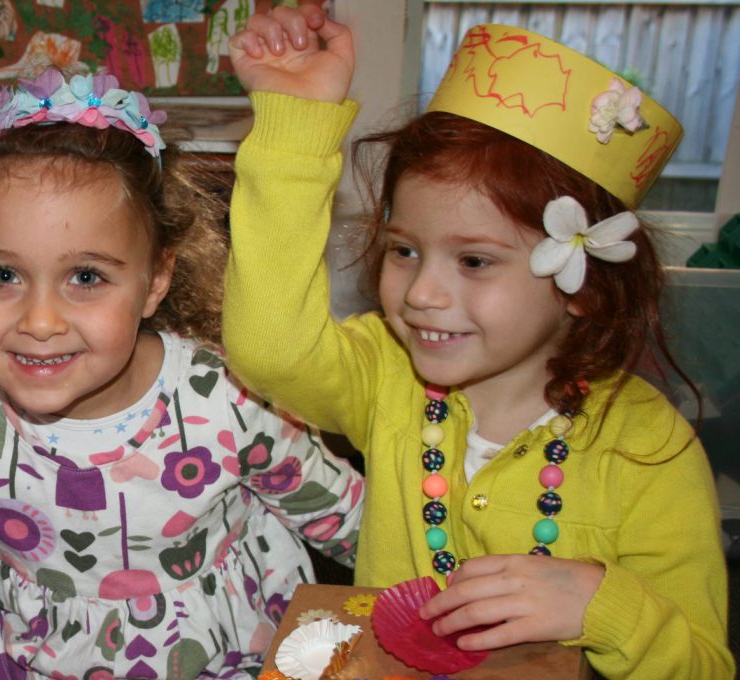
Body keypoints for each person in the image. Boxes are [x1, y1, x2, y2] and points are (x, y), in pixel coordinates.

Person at [223, 5, 733, 678]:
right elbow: (271, 349)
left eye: (474, 261)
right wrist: (296, 121)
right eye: (405, 250)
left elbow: (704, 665)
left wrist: (602, 607)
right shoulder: (390, 375)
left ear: (582, 285)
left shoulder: (649, 449)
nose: (421, 293)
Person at [0, 68, 364, 678]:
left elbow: (352, 521)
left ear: (155, 279)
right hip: (35, 650)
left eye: (86, 277)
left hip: (232, 651)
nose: (40, 321)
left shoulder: (229, 399)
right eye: (2, 275)